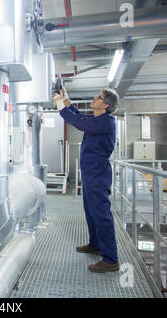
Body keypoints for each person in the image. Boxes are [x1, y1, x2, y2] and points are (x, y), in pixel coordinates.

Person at [54, 87, 119, 273]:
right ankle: (96, 244)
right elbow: (79, 116)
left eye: (98, 97)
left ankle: (111, 259)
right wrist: (66, 99)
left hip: (98, 174)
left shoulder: (106, 122)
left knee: (101, 214)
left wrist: (60, 105)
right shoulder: (97, 119)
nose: (94, 98)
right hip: (91, 173)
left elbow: (78, 122)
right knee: (90, 211)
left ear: (105, 105)